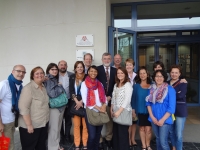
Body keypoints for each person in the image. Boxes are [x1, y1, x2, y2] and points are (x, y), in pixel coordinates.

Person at [18, 66, 49, 150]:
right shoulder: (28, 89)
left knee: (41, 146)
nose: (40, 75)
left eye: (41, 73)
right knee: (29, 147)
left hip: (42, 124)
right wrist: (29, 125)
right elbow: (23, 108)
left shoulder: (43, 87)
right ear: (32, 76)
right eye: (37, 73)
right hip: (31, 126)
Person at [146, 70, 176, 150]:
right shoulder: (152, 89)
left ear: (164, 78)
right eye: (157, 76)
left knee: (163, 142)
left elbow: (171, 108)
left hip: (165, 120)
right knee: (158, 140)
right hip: (154, 119)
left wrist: (162, 120)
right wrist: (152, 117)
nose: (159, 78)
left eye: (161, 76)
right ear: (154, 78)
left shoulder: (170, 89)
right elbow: (148, 104)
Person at [81, 65, 107, 150]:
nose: (93, 73)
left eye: (95, 71)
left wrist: (103, 106)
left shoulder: (100, 84)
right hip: (91, 111)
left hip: (101, 112)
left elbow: (104, 98)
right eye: (91, 71)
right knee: (92, 136)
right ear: (88, 72)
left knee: (97, 135)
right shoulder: (84, 84)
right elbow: (86, 101)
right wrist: (100, 109)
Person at [0, 65, 26, 150]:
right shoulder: (4, 84)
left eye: (23, 72)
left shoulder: (20, 85)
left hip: (12, 120)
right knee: (6, 146)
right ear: (13, 71)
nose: (21, 73)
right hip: (4, 122)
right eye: (19, 71)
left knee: (8, 144)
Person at [44, 63, 66, 150]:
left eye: (56, 69)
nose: (54, 71)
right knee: (54, 128)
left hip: (59, 107)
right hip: (54, 108)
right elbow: (52, 94)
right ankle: (53, 147)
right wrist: (60, 87)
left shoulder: (54, 79)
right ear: (48, 70)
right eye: (52, 69)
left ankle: (56, 146)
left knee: (57, 127)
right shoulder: (48, 79)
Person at [97, 52, 116, 149]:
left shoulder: (115, 70)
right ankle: (99, 140)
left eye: (108, 58)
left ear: (111, 60)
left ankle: (109, 139)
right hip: (99, 101)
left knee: (109, 121)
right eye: (105, 58)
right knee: (99, 121)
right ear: (102, 59)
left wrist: (110, 96)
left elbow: (116, 86)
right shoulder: (97, 69)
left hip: (110, 100)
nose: (107, 60)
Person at [111, 67, 132, 150]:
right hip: (115, 111)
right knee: (116, 135)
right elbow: (113, 98)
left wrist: (119, 112)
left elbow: (127, 100)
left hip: (123, 112)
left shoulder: (128, 85)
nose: (120, 74)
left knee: (122, 135)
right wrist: (111, 109)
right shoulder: (116, 84)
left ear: (125, 74)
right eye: (118, 73)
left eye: (122, 73)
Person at [132, 66, 152, 150]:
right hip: (139, 110)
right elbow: (133, 99)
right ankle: (144, 145)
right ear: (138, 75)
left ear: (147, 74)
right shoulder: (136, 86)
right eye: (140, 73)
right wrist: (133, 110)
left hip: (150, 111)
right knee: (141, 128)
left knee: (148, 129)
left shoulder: (152, 86)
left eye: (144, 73)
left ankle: (148, 145)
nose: (142, 75)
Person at [168, 65, 187, 150]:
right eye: (172, 72)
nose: (174, 74)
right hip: (169, 111)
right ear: (170, 73)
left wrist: (171, 94)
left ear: (179, 74)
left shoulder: (183, 83)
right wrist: (176, 92)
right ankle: (174, 147)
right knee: (171, 132)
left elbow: (181, 95)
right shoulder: (166, 83)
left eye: (176, 73)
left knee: (178, 133)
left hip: (180, 110)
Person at [69, 61, 88, 150]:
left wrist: (82, 101)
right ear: (75, 68)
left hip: (85, 103)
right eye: (78, 67)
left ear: (83, 68)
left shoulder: (87, 77)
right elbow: (71, 90)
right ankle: (77, 144)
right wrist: (77, 102)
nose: (80, 68)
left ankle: (85, 144)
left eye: (81, 67)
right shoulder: (72, 77)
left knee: (85, 126)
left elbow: (89, 91)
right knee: (76, 126)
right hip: (75, 104)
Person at [58, 60, 73, 145]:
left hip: (69, 101)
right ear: (58, 66)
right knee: (59, 120)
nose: (63, 66)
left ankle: (67, 136)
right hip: (59, 102)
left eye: (64, 65)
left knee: (68, 121)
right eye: (61, 65)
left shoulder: (71, 75)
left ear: (67, 66)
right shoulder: (55, 76)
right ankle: (61, 138)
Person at [125, 58, 137, 148]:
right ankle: (128, 139)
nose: (128, 66)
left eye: (130, 65)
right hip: (126, 102)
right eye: (127, 65)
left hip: (135, 100)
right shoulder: (123, 76)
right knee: (128, 122)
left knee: (134, 121)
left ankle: (133, 139)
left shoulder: (137, 76)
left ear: (133, 66)